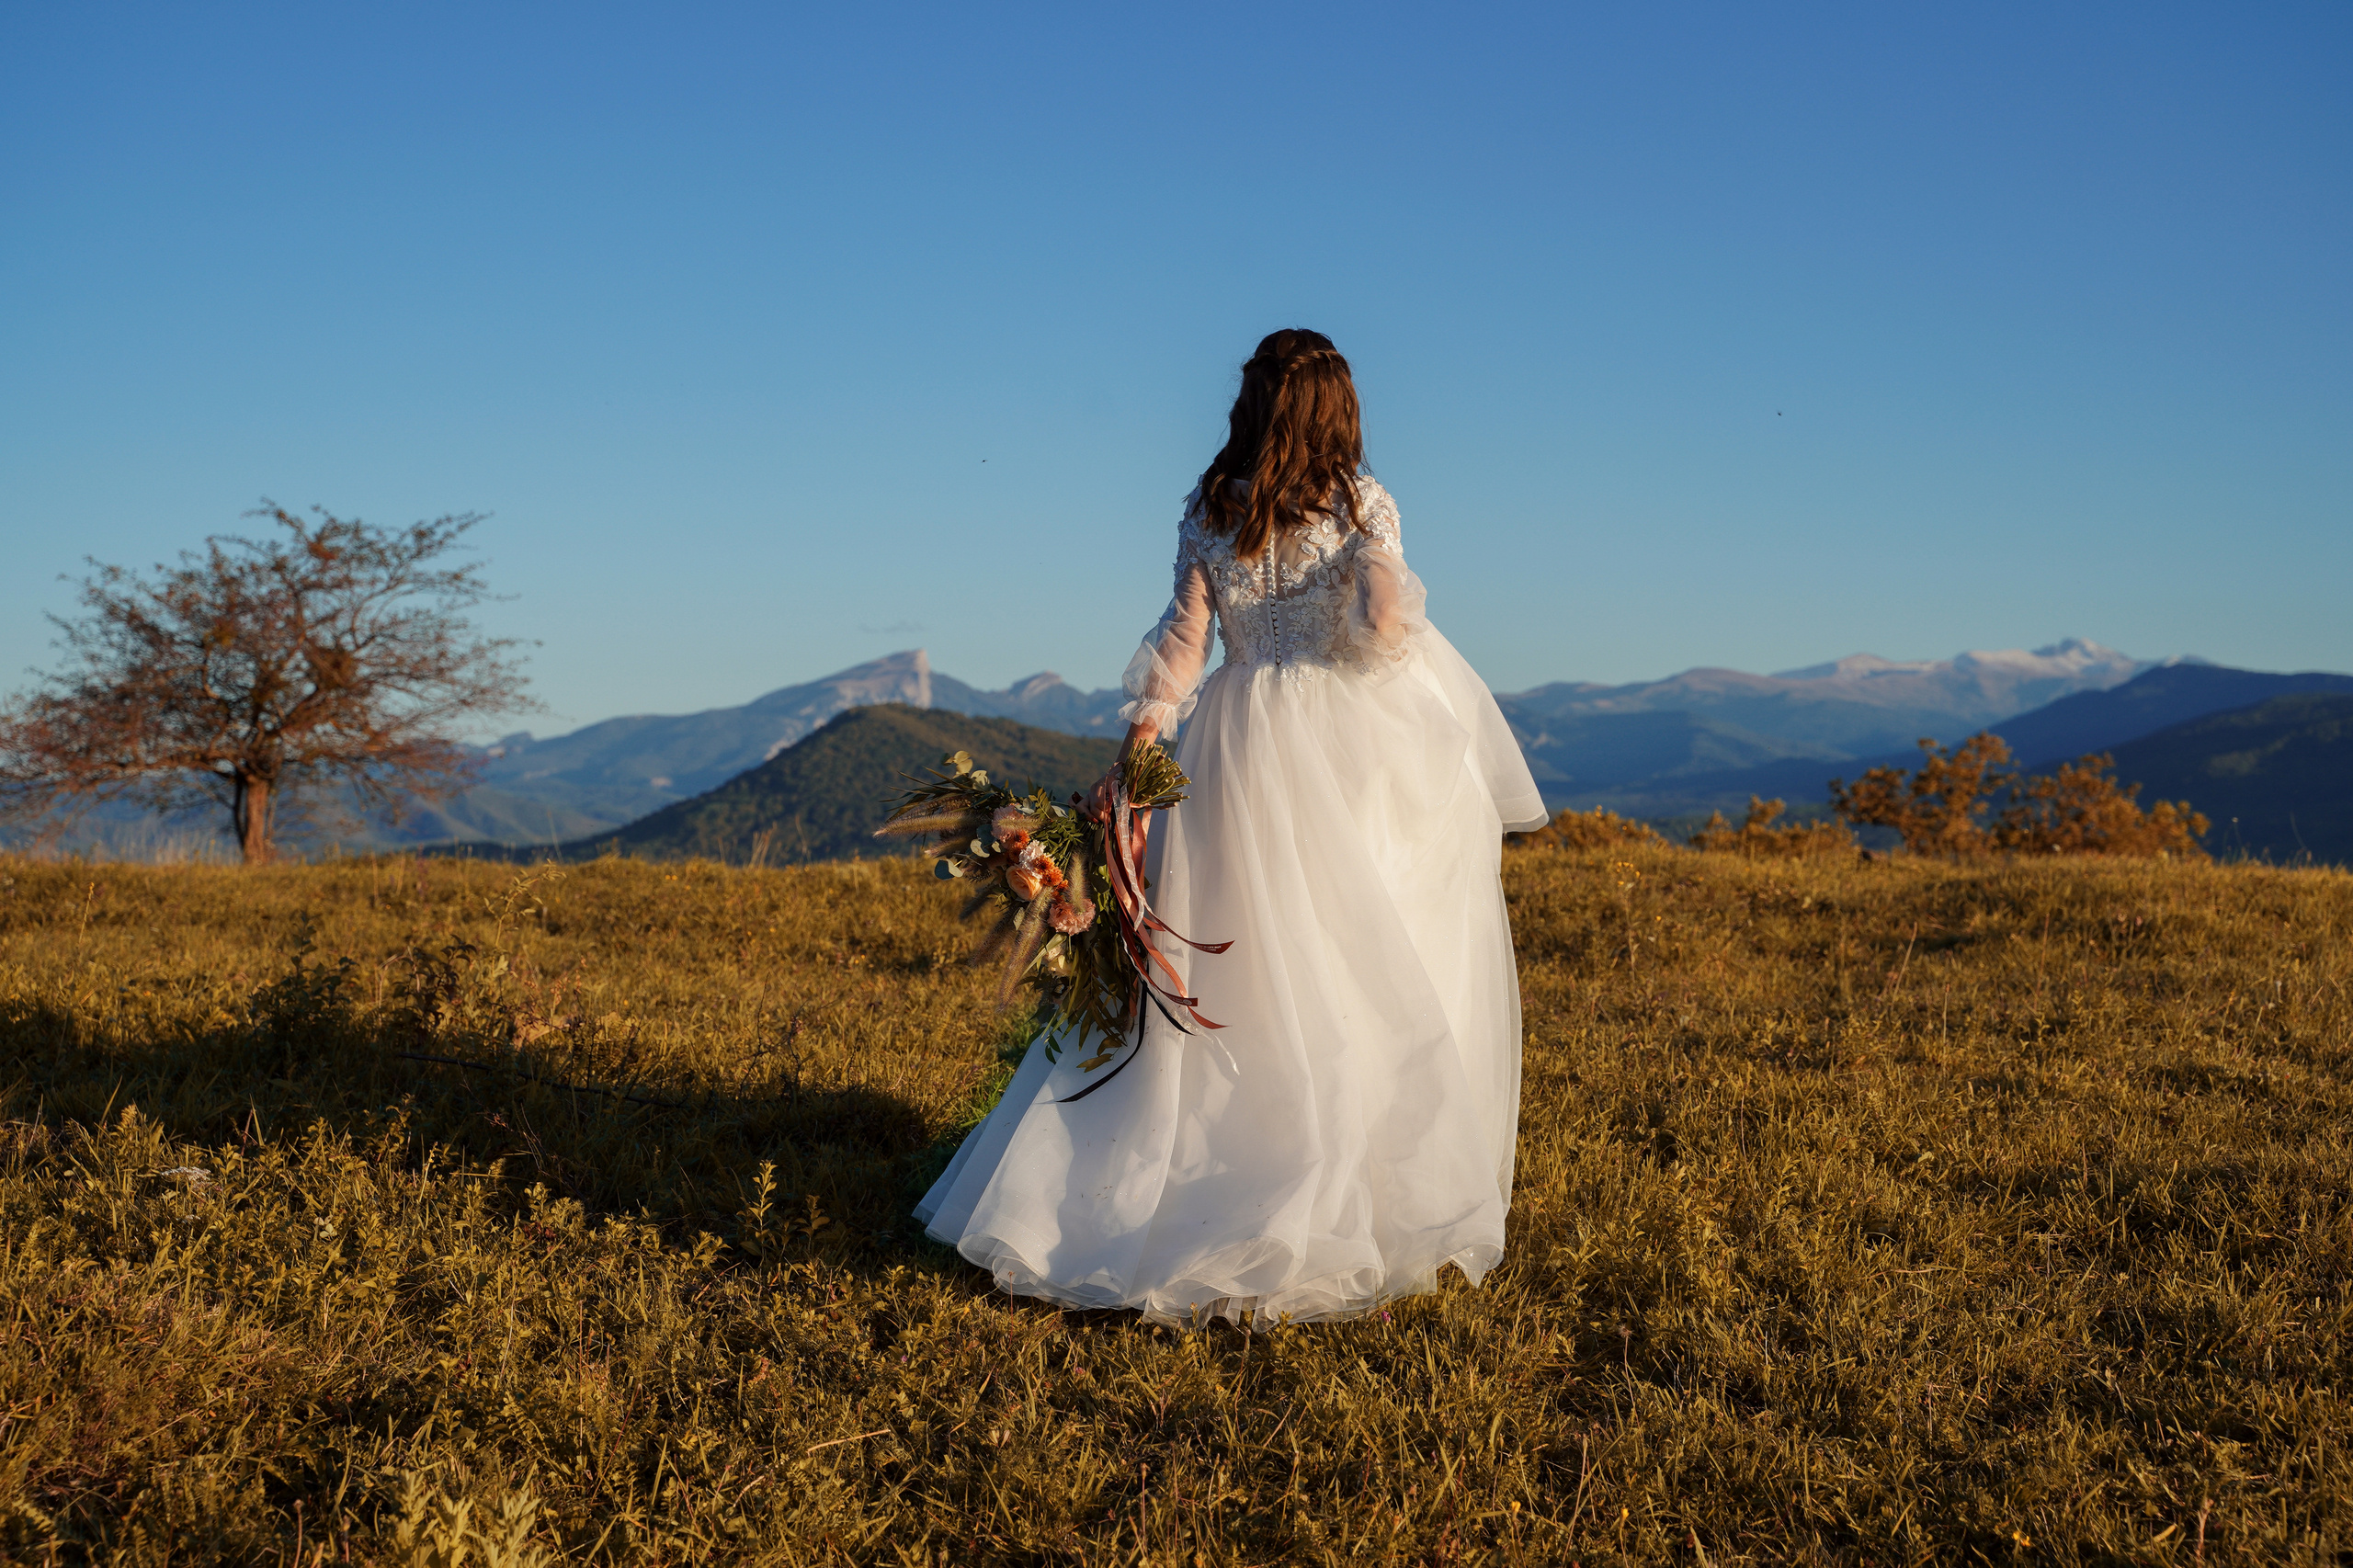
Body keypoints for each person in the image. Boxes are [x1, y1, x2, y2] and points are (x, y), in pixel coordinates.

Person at [915, 329, 1548, 1324]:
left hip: (1234, 738)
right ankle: (1348, 1194)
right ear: (1338, 409)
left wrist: (1137, 757)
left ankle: (1156, 1184)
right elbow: (1387, 619)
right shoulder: (1360, 504)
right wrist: (1370, 644)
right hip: (1343, 743)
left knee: (1231, 961)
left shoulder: (1213, 507)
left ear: (1251, 406)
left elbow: (1183, 646)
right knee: (1360, 956)